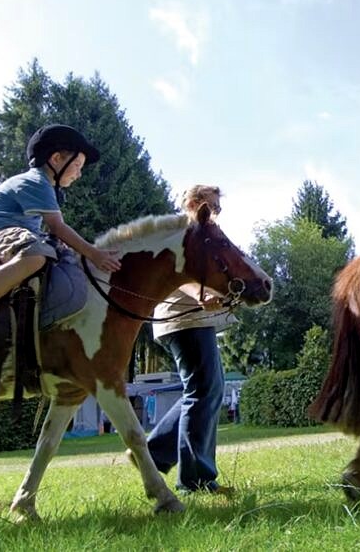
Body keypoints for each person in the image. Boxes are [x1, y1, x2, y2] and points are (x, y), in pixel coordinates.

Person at [0, 124, 121, 362]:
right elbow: (58, 226)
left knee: (55, 255)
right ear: (56, 159)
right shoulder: (36, 182)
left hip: (13, 233)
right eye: (77, 166)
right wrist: (94, 254)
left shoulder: (44, 186)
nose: (79, 174)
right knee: (36, 255)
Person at [146, 185, 236, 495]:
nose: (216, 213)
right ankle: (195, 481)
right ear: (195, 203)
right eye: (212, 206)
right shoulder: (183, 230)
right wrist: (202, 295)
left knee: (205, 390)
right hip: (184, 319)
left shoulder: (200, 235)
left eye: (218, 208)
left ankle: (154, 452)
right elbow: (177, 275)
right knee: (202, 391)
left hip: (193, 319)